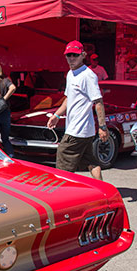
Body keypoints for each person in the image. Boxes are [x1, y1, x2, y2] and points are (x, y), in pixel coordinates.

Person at [47, 40, 108, 181]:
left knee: (63, 162)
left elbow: (98, 101)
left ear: (83, 55)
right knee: (91, 161)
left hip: (78, 130)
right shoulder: (71, 73)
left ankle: (62, 195)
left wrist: (103, 127)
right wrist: (57, 115)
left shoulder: (88, 75)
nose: (71, 58)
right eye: (68, 55)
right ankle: (102, 190)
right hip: (84, 130)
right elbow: (68, 98)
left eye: (75, 55)